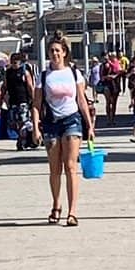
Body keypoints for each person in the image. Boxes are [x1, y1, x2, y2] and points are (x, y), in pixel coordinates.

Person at [32, 37, 94, 227]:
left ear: (65, 52)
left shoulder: (74, 73)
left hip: (72, 120)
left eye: (58, 50)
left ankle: (72, 211)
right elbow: (36, 104)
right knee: (55, 169)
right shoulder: (44, 76)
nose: (55, 54)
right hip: (51, 123)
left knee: (70, 167)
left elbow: (82, 100)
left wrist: (89, 125)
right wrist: (36, 127)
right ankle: (56, 205)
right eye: (52, 51)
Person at [0, 51, 36, 149]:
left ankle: (21, 141)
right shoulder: (8, 73)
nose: (14, 64)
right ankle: (23, 138)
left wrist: (34, 100)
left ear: (20, 62)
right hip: (12, 102)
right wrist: (0, 100)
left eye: (16, 62)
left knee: (23, 121)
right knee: (13, 123)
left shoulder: (24, 72)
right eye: (12, 62)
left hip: (23, 101)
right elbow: (4, 87)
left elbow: (30, 87)